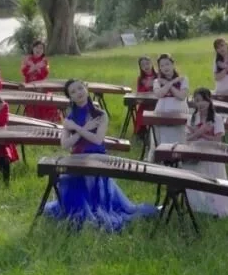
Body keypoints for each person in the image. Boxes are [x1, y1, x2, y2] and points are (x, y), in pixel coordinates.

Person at [43, 80, 158, 231]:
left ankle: (92, 214)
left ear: (86, 89)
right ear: (70, 98)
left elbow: (97, 139)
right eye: (73, 92)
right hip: (76, 159)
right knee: (68, 179)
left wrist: (77, 129)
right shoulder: (69, 118)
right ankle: (77, 215)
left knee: (90, 180)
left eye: (80, 88)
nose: (78, 93)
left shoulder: (100, 115)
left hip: (96, 157)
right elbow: (65, 144)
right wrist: (82, 128)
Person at [182, 89, 228, 217]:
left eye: (204, 100)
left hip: (212, 152)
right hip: (195, 151)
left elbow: (217, 141)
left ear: (209, 101)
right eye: (197, 101)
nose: (201, 104)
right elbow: (187, 139)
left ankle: (217, 207)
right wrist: (201, 132)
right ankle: (198, 205)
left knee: (214, 180)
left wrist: (199, 133)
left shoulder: (217, 118)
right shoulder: (192, 118)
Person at [149, 54, 190, 161]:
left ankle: (180, 158)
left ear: (173, 64)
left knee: (179, 135)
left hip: (179, 112)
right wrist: (171, 83)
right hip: (162, 112)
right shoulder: (157, 81)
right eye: (162, 66)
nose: (165, 67)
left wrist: (168, 84)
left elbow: (181, 96)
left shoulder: (183, 79)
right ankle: (164, 158)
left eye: (167, 64)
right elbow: (159, 94)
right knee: (163, 136)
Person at [21, 40, 60, 122]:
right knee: (32, 103)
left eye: (41, 48)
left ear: (43, 51)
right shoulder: (26, 59)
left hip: (42, 87)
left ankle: (46, 122)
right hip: (29, 87)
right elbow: (25, 72)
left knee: (47, 101)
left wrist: (33, 68)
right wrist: (36, 67)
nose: (38, 50)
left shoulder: (45, 61)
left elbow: (44, 74)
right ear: (32, 48)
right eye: (37, 47)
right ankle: (33, 121)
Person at [133, 56, 157, 140]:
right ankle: (142, 131)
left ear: (151, 64)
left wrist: (153, 85)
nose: (146, 66)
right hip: (145, 102)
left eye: (147, 63)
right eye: (143, 65)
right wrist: (146, 86)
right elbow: (139, 93)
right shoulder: (140, 79)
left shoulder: (158, 76)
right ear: (140, 67)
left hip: (156, 103)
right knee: (141, 111)